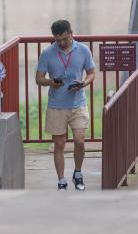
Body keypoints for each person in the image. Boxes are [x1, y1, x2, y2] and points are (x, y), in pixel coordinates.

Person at [35, 19, 95, 191]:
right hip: (56, 105)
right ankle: (61, 180)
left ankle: (78, 173)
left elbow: (91, 73)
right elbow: (39, 78)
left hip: (78, 103)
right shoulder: (47, 53)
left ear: (71, 33)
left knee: (80, 141)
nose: (61, 43)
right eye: (57, 40)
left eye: (64, 39)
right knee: (59, 144)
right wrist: (50, 82)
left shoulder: (83, 50)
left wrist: (83, 83)